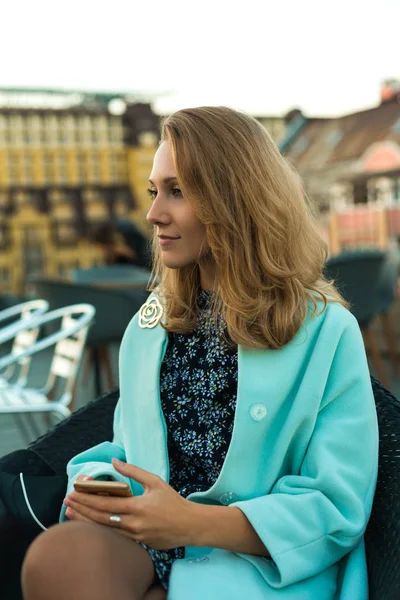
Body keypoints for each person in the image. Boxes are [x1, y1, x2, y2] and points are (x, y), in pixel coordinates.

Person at [21, 107, 378, 600]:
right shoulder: (152, 325)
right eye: (154, 191)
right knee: (58, 558)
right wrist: (100, 488)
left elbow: (336, 505)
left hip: (257, 563)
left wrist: (192, 523)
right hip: (150, 544)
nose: (153, 214)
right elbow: (127, 449)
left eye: (178, 191)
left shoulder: (324, 330)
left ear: (236, 198)